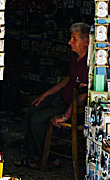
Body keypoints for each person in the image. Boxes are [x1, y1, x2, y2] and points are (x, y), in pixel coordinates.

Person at [22, 22, 91, 168]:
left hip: (69, 107)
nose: (69, 42)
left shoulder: (87, 63)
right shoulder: (75, 57)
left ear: (86, 41)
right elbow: (67, 79)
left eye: (74, 39)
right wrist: (44, 95)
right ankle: (32, 154)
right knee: (32, 109)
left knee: (37, 119)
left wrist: (65, 116)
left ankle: (44, 159)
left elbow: (81, 97)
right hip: (61, 98)